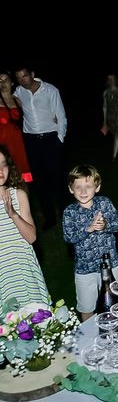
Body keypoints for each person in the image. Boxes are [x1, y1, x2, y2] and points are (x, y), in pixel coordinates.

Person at [62, 164, 118, 322]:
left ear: (97, 187)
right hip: (85, 268)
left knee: (115, 302)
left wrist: (106, 225)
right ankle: (88, 338)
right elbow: (69, 237)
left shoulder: (104, 203)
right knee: (87, 307)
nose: (83, 191)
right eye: (78, 187)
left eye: (87, 186)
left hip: (110, 263)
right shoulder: (70, 212)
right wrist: (88, 229)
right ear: (71, 189)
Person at [13, 66, 67, 231]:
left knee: (57, 179)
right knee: (40, 182)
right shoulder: (18, 92)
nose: (22, 80)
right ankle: (49, 217)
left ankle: (66, 215)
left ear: (33, 74)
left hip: (51, 138)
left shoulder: (50, 90)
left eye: (25, 76)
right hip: (31, 141)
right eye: (19, 78)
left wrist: (59, 139)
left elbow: (61, 116)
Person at [0, 144, 49, 306]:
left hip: (23, 269)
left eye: (3, 164)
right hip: (3, 274)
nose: (1, 171)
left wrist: (13, 214)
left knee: (36, 320)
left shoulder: (18, 195)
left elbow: (32, 237)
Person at [0, 72, 31, 183]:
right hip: (1, 142)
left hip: (17, 142)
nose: (2, 83)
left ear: (12, 83)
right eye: (0, 80)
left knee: (18, 172)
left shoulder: (18, 100)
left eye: (6, 80)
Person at [102, 74, 118, 161]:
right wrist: (104, 121)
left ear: (116, 80)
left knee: (117, 134)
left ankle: (114, 157)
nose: (111, 80)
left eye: (113, 79)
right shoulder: (105, 92)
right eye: (109, 79)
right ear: (108, 81)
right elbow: (105, 107)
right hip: (111, 116)